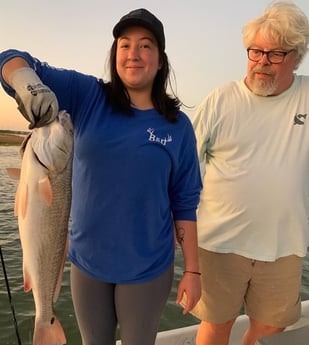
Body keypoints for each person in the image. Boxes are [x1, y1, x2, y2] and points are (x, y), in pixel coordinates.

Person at [0, 8, 202, 345]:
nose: (133, 54)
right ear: (114, 54)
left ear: (161, 60)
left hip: (147, 268)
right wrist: (27, 84)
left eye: (145, 45)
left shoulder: (177, 127)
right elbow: (10, 60)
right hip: (86, 264)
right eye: (124, 45)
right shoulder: (88, 96)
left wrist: (193, 270)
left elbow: (184, 201)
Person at [191, 2, 309, 345]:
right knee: (216, 324)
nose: (261, 62)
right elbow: (182, 165)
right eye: (255, 51)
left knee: (272, 328)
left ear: (296, 56)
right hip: (220, 242)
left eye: (274, 55)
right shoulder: (221, 99)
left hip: (284, 243)